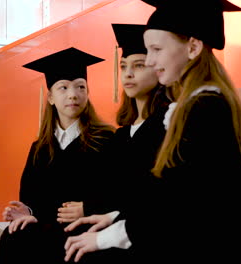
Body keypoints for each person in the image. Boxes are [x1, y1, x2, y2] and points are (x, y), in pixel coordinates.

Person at [65, 0, 241, 261]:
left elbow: (183, 206)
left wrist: (107, 236)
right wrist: (114, 217)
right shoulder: (200, 104)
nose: (151, 61)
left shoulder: (205, 110)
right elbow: (171, 193)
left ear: (193, 47)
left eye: (156, 49)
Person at [0, 47, 115, 264]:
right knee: (13, 235)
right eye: (63, 87)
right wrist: (27, 211)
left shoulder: (106, 139)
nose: (73, 94)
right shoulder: (40, 147)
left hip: (85, 225)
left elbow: (118, 191)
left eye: (81, 87)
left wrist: (88, 207)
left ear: (87, 93)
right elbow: (30, 195)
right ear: (50, 97)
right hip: (47, 226)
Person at [63, 23, 171, 263]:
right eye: (123, 67)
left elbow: (151, 196)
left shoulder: (166, 126)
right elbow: (107, 187)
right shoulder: (121, 136)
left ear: (158, 68)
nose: (128, 74)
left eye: (138, 65)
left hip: (146, 231)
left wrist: (95, 209)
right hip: (119, 219)